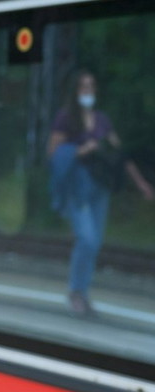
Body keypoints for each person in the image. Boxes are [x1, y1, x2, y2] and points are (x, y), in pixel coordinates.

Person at [47, 70, 153, 316]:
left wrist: (141, 183)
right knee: (87, 238)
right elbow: (53, 153)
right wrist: (80, 150)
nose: (88, 91)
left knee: (95, 243)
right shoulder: (66, 118)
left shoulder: (103, 121)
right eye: (83, 87)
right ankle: (75, 291)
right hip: (77, 185)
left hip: (100, 187)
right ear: (75, 91)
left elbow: (120, 155)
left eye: (91, 86)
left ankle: (82, 292)